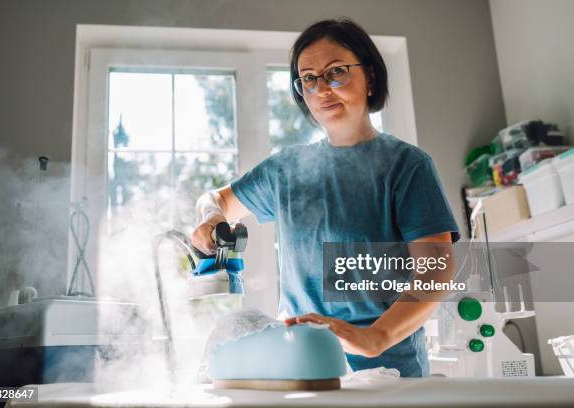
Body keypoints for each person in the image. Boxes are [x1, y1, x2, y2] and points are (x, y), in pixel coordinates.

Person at [191, 18, 460, 377]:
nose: (322, 89)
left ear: (371, 78)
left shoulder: (406, 166)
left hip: (387, 375)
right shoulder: (286, 170)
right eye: (308, 79)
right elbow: (216, 199)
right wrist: (210, 217)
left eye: (336, 72)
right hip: (302, 368)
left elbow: (436, 270)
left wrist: (375, 337)